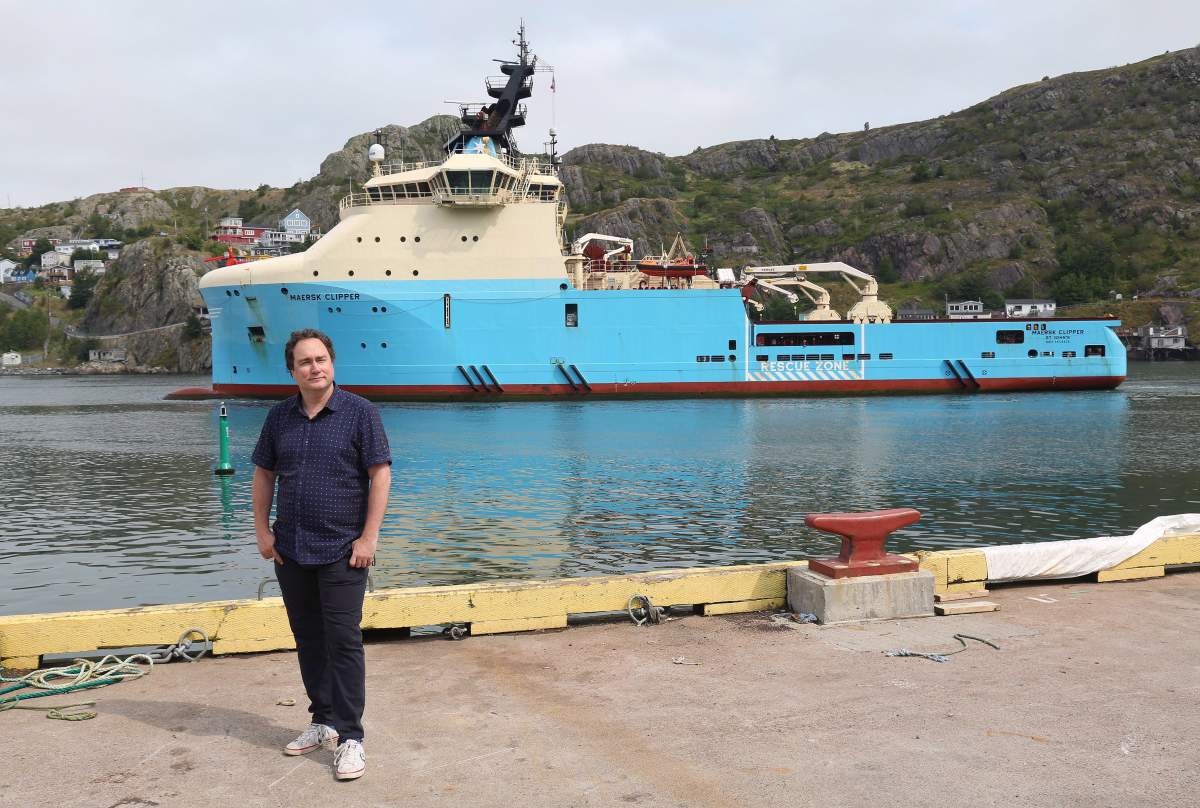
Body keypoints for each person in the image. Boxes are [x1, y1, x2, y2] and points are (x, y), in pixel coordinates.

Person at [251, 328, 392, 781]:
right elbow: (263, 475)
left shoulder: (359, 413)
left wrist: (369, 538)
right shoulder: (279, 418)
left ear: (333, 364)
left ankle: (351, 736)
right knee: (308, 637)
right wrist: (262, 531)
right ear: (291, 370)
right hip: (290, 548)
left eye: (321, 359)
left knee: (344, 640)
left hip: (342, 549)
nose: (315, 367)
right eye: (305, 362)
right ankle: (323, 720)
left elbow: (380, 475)